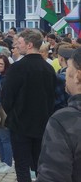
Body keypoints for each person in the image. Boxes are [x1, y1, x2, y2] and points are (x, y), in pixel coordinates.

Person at [1, 29, 56, 182]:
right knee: (40, 165)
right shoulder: (49, 69)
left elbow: (6, 97)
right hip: (42, 123)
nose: (17, 46)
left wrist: (14, 114)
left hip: (20, 125)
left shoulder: (18, 68)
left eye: (19, 43)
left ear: (30, 45)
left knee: (22, 165)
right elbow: (53, 97)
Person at [37, 47, 81, 182]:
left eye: (68, 67)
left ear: (78, 76)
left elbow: (52, 176)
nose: (65, 71)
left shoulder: (63, 122)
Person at [0, 54, 13, 174]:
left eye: (0, 64)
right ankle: (2, 160)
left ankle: (8, 162)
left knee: (5, 138)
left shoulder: (5, 78)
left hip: (3, 110)